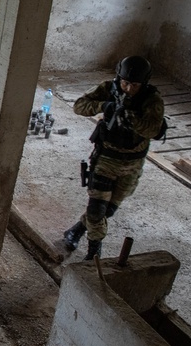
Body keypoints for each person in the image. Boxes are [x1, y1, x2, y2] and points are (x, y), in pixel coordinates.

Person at [63, 56, 166, 260]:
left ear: (143, 84)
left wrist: (132, 119)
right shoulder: (109, 88)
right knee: (96, 210)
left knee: (108, 211)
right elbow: (79, 105)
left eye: (134, 85)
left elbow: (154, 129)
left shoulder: (152, 100)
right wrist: (105, 106)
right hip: (106, 159)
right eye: (125, 82)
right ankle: (94, 252)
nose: (128, 88)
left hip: (132, 164)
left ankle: (76, 230)